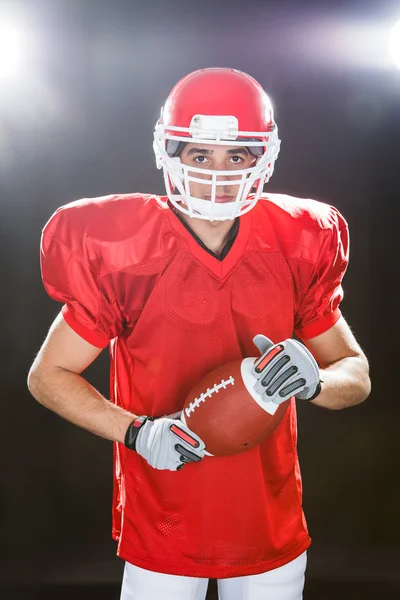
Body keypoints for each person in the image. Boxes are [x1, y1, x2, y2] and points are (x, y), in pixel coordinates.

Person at [28, 67, 371, 600]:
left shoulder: (297, 241)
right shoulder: (125, 249)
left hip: (267, 522)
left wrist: (316, 381)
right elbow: (48, 375)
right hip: (162, 521)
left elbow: (357, 373)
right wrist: (137, 432)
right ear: (171, 155)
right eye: (200, 155)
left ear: (262, 160)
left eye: (237, 155)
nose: (219, 172)